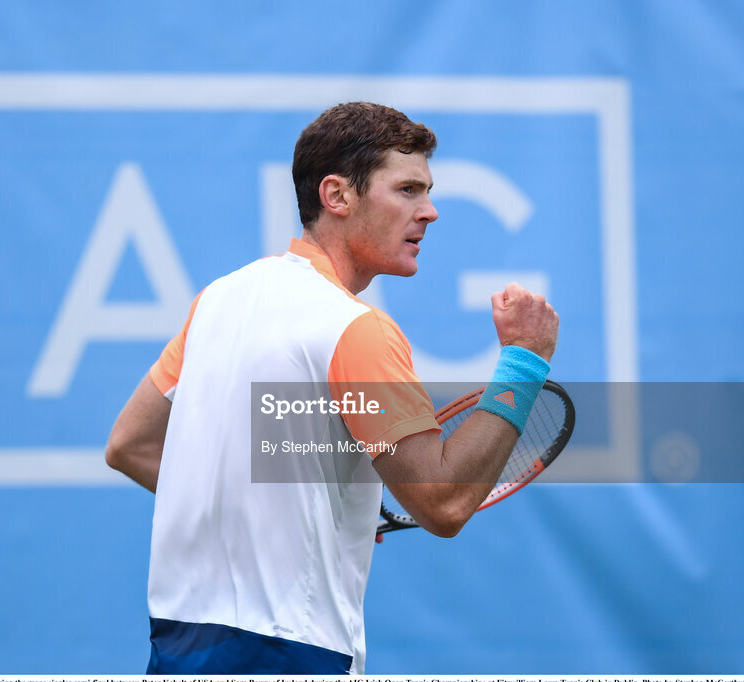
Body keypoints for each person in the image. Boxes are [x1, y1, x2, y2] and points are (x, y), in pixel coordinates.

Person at [105, 102, 559, 674]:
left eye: (428, 191)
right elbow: (443, 501)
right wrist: (523, 361)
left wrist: (300, 518)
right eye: (409, 190)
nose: (432, 211)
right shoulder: (356, 329)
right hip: (290, 653)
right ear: (337, 196)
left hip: (177, 646)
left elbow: (130, 446)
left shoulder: (219, 299)